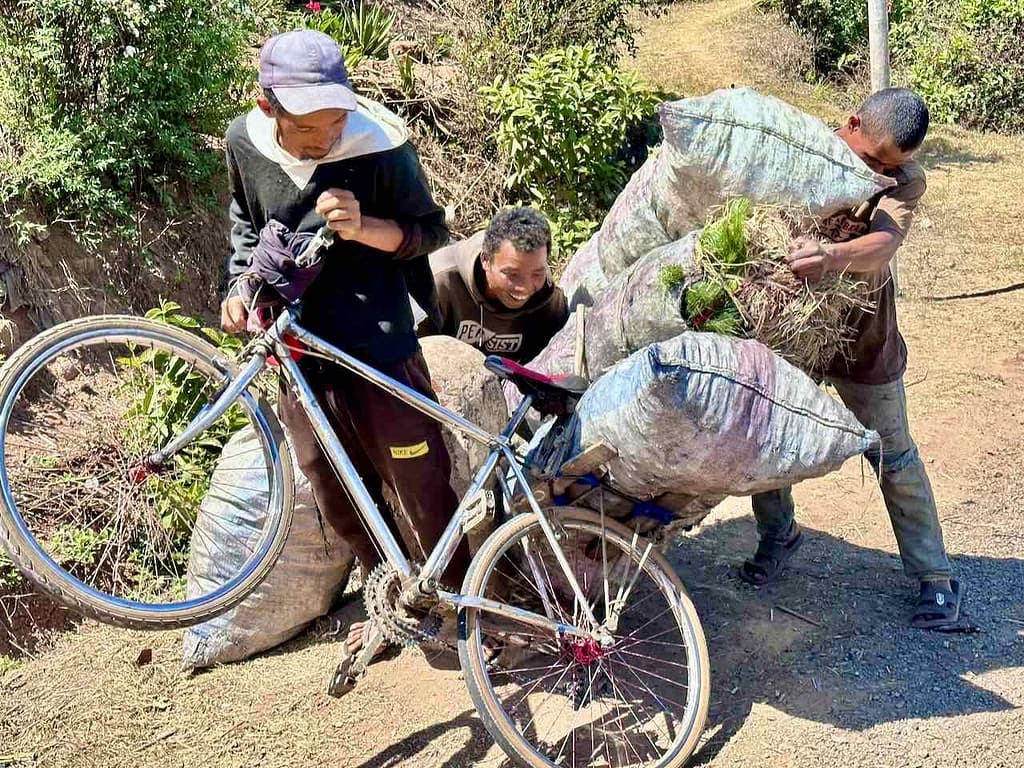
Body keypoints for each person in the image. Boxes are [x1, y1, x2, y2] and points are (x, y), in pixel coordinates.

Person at [219, 29, 469, 661]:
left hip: (377, 339)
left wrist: (367, 228)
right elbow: (245, 223)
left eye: (335, 123)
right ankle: (389, 596)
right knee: (330, 481)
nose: (326, 139)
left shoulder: (380, 145)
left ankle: (464, 603)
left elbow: (430, 231)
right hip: (296, 347)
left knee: (418, 474)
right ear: (268, 104)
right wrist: (241, 284)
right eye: (310, 130)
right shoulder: (244, 142)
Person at [742, 88, 963, 630]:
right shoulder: (804, 146)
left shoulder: (905, 178)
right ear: (852, 122)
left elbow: (884, 244)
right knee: (766, 436)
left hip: (863, 337)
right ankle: (779, 535)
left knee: (893, 454)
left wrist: (834, 255)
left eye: (889, 167)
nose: (876, 174)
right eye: (870, 160)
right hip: (789, 326)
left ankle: (936, 580)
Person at [417, 207, 568, 364]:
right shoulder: (438, 283)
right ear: (486, 260)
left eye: (537, 274)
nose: (524, 287)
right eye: (512, 274)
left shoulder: (547, 297)